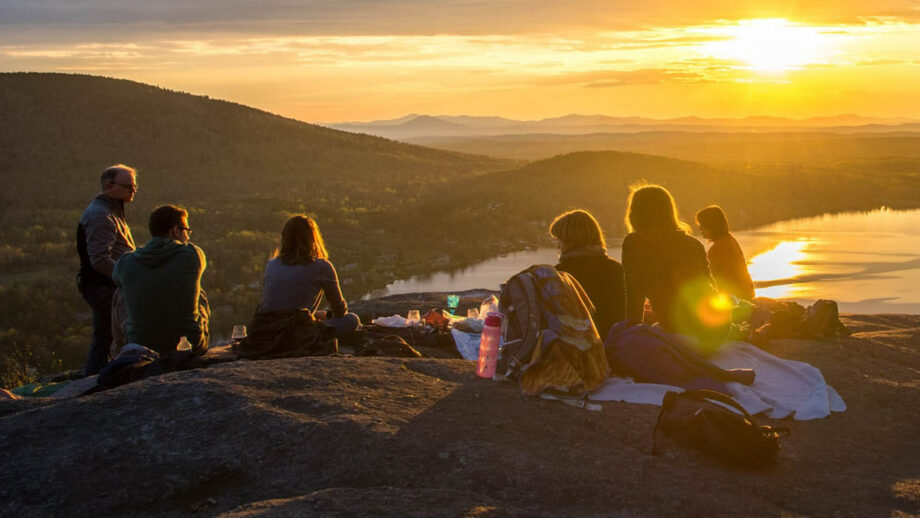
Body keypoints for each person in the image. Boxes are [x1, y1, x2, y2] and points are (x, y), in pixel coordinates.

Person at [621, 185, 730, 346]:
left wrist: (631, 337)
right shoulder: (694, 243)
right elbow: (711, 288)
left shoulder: (634, 243)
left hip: (682, 331)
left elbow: (634, 296)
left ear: (635, 213)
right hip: (719, 329)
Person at [113, 205, 210, 357]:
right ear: (175, 231)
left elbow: (116, 278)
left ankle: (119, 351)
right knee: (199, 291)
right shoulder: (193, 255)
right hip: (190, 346)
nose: (188, 236)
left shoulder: (126, 261)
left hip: (140, 346)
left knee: (120, 291)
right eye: (186, 230)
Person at [77, 164, 137, 375]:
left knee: (108, 336)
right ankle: (94, 381)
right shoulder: (101, 215)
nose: (133, 190)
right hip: (104, 286)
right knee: (106, 337)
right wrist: (126, 278)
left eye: (135, 185)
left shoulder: (111, 211)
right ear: (109, 187)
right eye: (128, 186)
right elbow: (100, 259)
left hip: (106, 285)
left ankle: (97, 377)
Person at [258, 215, 360, 340]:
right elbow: (340, 311)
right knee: (352, 319)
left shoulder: (272, 264)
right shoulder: (321, 266)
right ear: (312, 238)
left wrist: (318, 314)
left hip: (265, 332)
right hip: (296, 335)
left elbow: (281, 306)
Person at [549, 209, 625, 339]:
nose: (558, 247)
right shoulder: (616, 269)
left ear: (569, 241)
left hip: (577, 349)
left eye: (559, 240)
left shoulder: (560, 275)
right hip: (616, 344)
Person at [695, 205, 756, 301]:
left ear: (710, 225)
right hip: (746, 294)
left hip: (734, 299)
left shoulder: (719, 248)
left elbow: (709, 277)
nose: (699, 229)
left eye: (701, 225)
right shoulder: (730, 240)